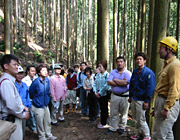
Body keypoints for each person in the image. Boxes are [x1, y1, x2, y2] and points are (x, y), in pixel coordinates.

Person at [152, 37, 180, 140]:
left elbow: (175, 89)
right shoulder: (167, 65)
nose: (159, 51)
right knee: (167, 135)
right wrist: (157, 107)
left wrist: (166, 108)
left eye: (161, 48)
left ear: (169, 49)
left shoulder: (175, 65)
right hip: (162, 101)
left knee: (158, 136)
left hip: (168, 103)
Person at [0, 54, 29, 140]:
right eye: (15, 64)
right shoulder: (6, 82)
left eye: (17, 64)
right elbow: (11, 105)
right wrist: (23, 114)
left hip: (12, 118)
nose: (17, 67)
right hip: (10, 120)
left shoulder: (9, 81)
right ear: (6, 66)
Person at [129, 52, 155, 140]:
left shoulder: (149, 73)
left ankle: (147, 135)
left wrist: (147, 101)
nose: (138, 61)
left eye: (140, 59)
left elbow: (150, 88)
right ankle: (138, 133)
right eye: (137, 59)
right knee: (135, 118)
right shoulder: (135, 72)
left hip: (142, 99)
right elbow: (132, 84)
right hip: (134, 98)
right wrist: (130, 96)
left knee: (141, 119)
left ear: (144, 60)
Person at [29, 64, 57, 140]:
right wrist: (37, 100)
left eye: (46, 70)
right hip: (37, 106)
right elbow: (31, 93)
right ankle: (42, 137)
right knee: (40, 123)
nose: (45, 72)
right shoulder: (36, 82)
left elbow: (48, 91)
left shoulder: (47, 80)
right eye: (43, 70)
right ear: (39, 72)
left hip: (45, 105)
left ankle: (49, 135)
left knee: (47, 121)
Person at [106, 56, 131, 134]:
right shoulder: (113, 72)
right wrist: (121, 82)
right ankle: (113, 127)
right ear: (116, 63)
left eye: (121, 62)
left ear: (124, 63)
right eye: (118, 62)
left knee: (124, 113)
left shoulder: (128, 73)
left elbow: (125, 83)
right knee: (113, 112)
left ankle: (122, 127)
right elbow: (109, 82)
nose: (119, 63)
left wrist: (115, 80)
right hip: (115, 95)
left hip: (125, 96)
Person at [15, 66, 32, 138]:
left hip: (25, 109)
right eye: (18, 74)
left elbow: (27, 96)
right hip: (17, 109)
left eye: (21, 74)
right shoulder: (12, 85)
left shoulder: (24, 85)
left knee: (23, 127)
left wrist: (28, 106)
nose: (20, 76)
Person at [93, 60, 110, 129]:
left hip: (104, 94)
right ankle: (102, 121)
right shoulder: (98, 75)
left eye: (100, 66)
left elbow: (106, 85)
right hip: (98, 93)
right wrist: (95, 91)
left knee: (104, 108)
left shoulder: (107, 75)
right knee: (101, 108)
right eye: (98, 66)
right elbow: (94, 83)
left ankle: (104, 122)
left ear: (104, 67)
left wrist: (100, 93)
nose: (99, 68)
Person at [22, 64, 37, 133]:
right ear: (28, 72)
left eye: (34, 71)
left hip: (36, 100)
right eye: (32, 71)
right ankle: (33, 127)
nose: (33, 72)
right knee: (31, 115)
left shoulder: (36, 79)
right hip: (29, 100)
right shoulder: (24, 80)